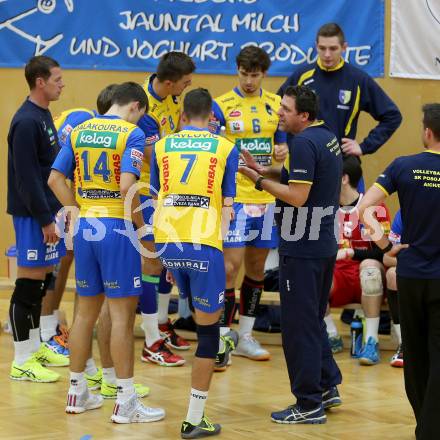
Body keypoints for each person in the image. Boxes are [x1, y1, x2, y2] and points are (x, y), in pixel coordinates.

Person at [49, 82, 165, 423]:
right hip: (116, 229)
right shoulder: (129, 133)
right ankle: (126, 401)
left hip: (85, 227)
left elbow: (55, 179)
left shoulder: (79, 130)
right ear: (136, 107)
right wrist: (144, 234)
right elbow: (128, 187)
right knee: (121, 317)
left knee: (84, 314)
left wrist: (77, 211)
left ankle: (77, 392)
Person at [239, 85, 342, 424]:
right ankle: (327, 386)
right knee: (312, 320)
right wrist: (265, 169)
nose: (278, 112)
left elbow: (297, 196)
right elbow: (302, 180)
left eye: (285, 108)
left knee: (298, 328)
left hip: (302, 249)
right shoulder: (326, 135)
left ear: (304, 116)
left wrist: (257, 181)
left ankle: (308, 403)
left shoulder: (302, 144)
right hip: (322, 244)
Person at [150, 88, 238, 438]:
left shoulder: (161, 146)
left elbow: (159, 196)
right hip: (204, 244)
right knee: (208, 335)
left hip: (167, 241)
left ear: (183, 115)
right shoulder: (225, 147)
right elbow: (228, 205)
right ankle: (194, 418)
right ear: (212, 119)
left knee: (194, 308)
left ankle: (219, 334)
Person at [358, 103, 440, 440]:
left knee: (416, 355)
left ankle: (424, 425)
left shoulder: (402, 166)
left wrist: (384, 246)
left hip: (409, 275)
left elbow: (363, 209)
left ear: (427, 131)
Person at [210, 45, 288, 364]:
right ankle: (221, 337)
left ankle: (246, 335)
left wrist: (281, 152)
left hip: (266, 195)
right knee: (229, 268)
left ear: (264, 74)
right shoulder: (221, 104)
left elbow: (281, 143)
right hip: (236, 197)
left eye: (255, 75)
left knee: (256, 268)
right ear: (237, 70)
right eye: (244, 74)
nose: (249, 81)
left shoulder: (276, 104)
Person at [278, 22, 402, 191]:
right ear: (316, 47)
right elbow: (277, 110)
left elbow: (392, 116)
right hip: (302, 162)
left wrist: (364, 146)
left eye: (333, 48)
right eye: (322, 48)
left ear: (344, 47)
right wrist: (281, 143)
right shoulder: (302, 76)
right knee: (301, 217)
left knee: (348, 217)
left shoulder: (358, 80)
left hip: (341, 165)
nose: (327, 54)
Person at [7, 55, 68, 383]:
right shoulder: (26, 121)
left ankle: (34, 347)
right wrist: (45, 219)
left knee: (43, 281)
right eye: (57, 79)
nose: (62, 84)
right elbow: (27, 178)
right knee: (28, 286)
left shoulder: (43, 115)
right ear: (40, 82)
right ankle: (21, 360)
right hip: (33, 216)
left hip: (47, 212)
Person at [137, 52, 196, 367]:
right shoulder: (142, 105)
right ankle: (151, 340)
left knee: (164, 261)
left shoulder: (174, 98)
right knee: (152, 264)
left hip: (168, 190)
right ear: (170, 82)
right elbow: (152, 158)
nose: (188, 87)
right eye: (185, 83)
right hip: (145, 193)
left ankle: (160, 323)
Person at [325, 156, 391, 366]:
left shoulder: (374, 209)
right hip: (339, 276)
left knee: (369, 269)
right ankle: (330, 334)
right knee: (314, 274)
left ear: (343, 178)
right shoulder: (326, 209)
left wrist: (352, 253)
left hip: (368, 273)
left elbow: (386, 254)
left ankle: (371, 341)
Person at [384, 209, 404, 368]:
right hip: (416, 268)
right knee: (392, 275)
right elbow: (387, 258)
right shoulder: (404, 214)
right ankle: (404, 344)